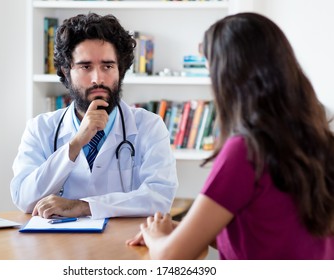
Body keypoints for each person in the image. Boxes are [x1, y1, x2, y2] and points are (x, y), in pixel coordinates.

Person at [127, 12, 334, 259]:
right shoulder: (319, 140)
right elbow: (267, 233)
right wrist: (186, 232)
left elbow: (170, 257)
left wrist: (155, 235)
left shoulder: (246, 150)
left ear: (228, 76)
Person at [10, 13, 178, 219]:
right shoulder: (40, 128)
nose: (98, 78)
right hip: (57, 248)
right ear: (66, 71)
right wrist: (76, 143)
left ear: (121, 70)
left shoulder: (149, 126)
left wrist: (82, 206)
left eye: (107, 66)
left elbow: (159, 198)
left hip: (124, 247)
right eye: (85, 67)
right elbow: (23, 199)